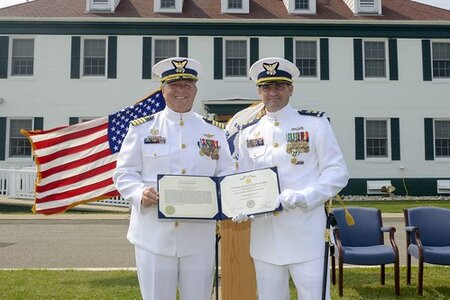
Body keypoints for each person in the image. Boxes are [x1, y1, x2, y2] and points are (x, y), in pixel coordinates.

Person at [113, 57, 235, 300]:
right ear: (163, 89)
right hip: (153, 237)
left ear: (196, 90)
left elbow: (226, 173)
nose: (181, 91)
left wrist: (224, 197)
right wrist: (139, 193)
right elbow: (124, 172)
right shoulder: (142, 129)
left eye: (187, 85)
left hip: (198, 237)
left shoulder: (214, 131)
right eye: (174, 85)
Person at [231, 57, 349, 300]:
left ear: (291, 89)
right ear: (259, 91)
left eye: (279, 86)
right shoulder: (248, 132)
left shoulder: (315, 124)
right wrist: (239, 204)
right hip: (265, 238)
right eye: (266, 87)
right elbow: (241, 178)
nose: (272, 92)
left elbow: (337, 173)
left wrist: (306, 196)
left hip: (305, 235)